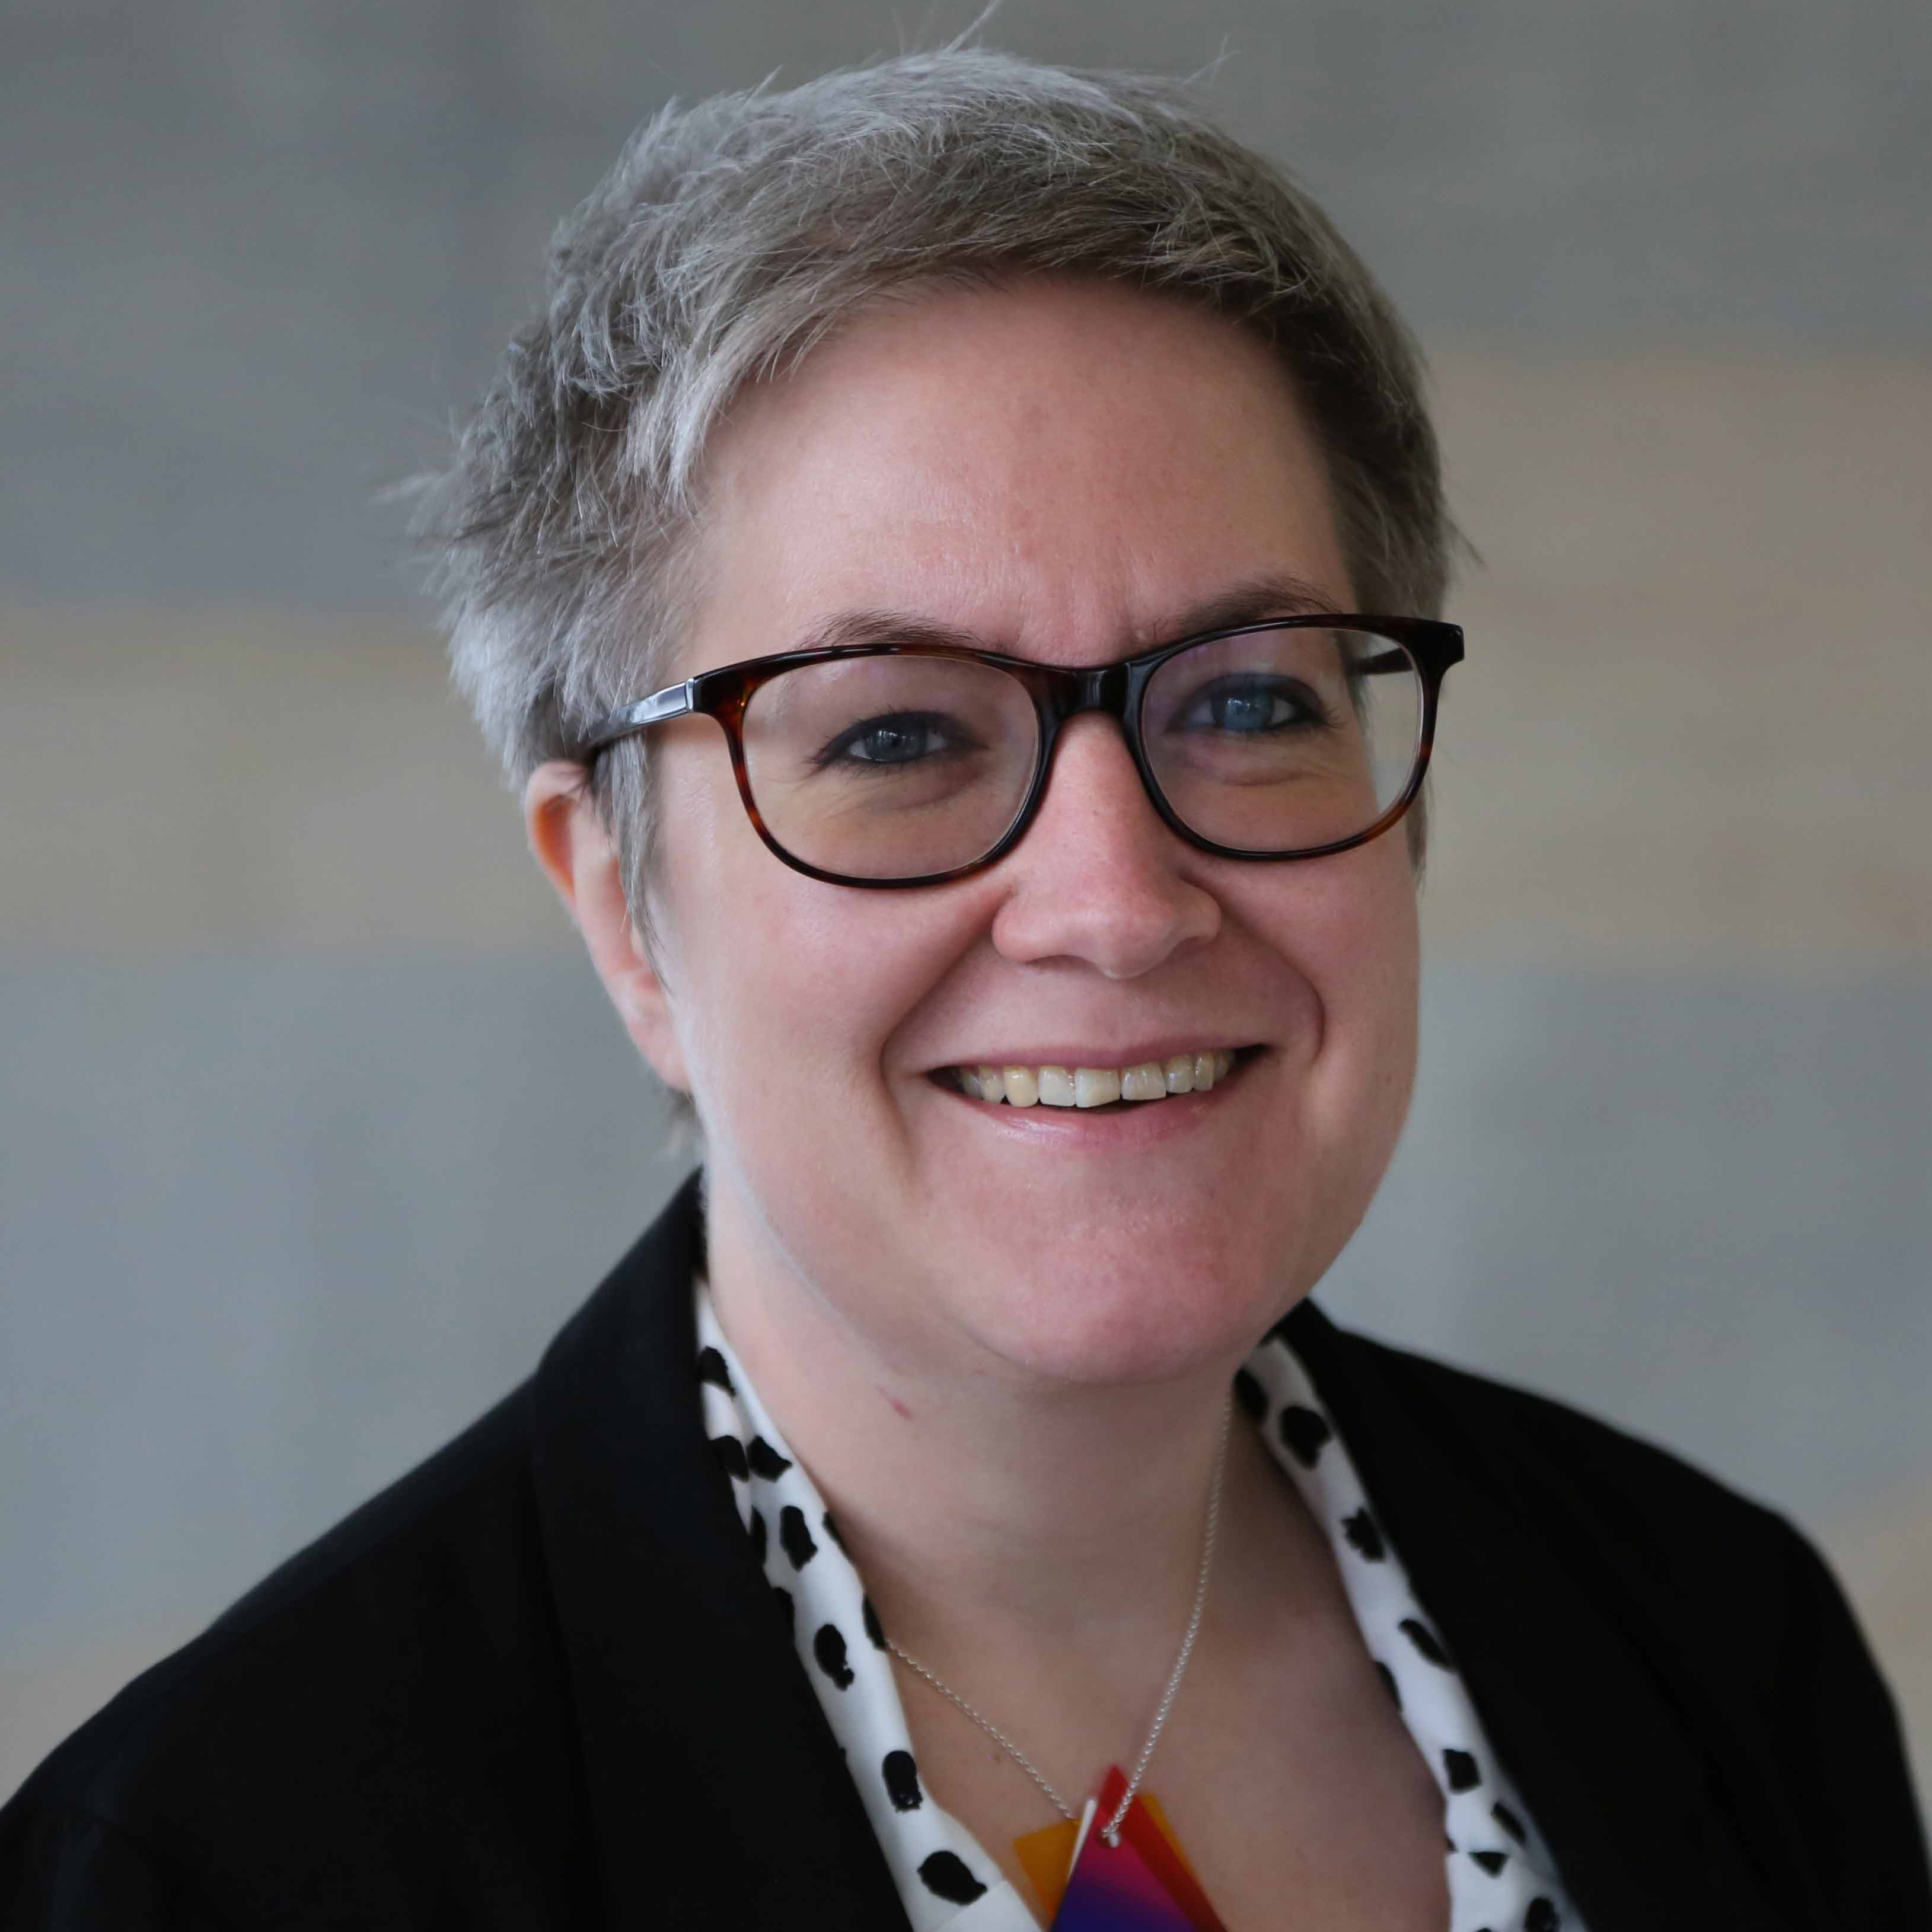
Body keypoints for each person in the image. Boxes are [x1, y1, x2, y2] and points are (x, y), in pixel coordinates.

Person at [2, 46, 1926, 1932]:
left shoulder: (1716, 1637)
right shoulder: (210, 1874)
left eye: (1249, 701)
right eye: (900, 732)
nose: (1112, 899)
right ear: (618, 902)